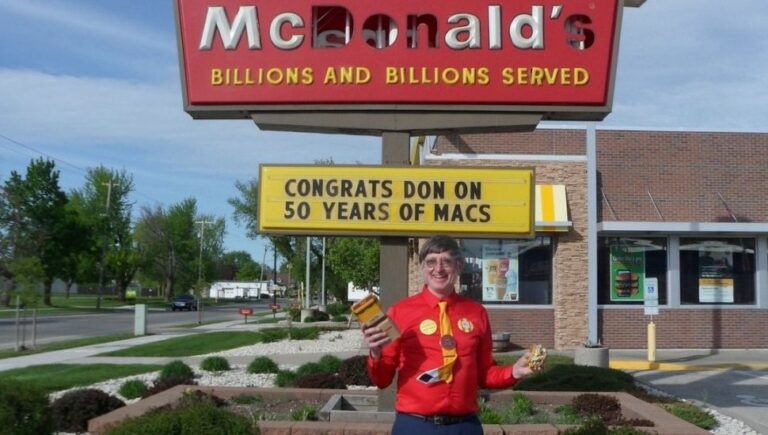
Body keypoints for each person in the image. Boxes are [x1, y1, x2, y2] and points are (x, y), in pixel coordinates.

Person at [361, 235, 535, 434]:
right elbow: (382, 380)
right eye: (431, 262)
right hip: (414, 426)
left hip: (464, 426)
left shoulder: (476, 312)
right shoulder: (399, 313)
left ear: (459, 266)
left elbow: (485, 373)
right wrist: (375, 354)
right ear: (422, 268)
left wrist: (514, 372)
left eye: (446, 261)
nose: (439, 269)